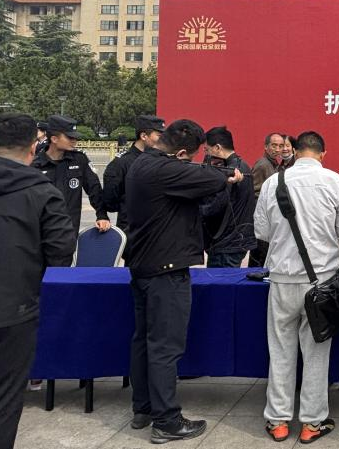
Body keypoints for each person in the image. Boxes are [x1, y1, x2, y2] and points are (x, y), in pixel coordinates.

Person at [124, 119, 243, 444]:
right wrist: (227, 174)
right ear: (180, 154)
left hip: (143, 266)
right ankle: (166, 420)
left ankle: (143, 408)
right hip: (165, 270)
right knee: (165, 346)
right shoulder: (164, 170)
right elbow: (210, 178)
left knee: (144, 341)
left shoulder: (141, 163)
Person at [254, 131, 339, 444]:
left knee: (280, 351)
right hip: (321, 282)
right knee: (316, 354)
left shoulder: (273, 183)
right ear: (323, 153)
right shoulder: (337, 182)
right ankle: (312, 423)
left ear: (295, 151)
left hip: (282, 279)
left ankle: (278, 421)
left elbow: (262, 232)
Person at [0, 113, 75, 449]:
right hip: (14, 309)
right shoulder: (42, 191)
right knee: (3, 399)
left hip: (14, 307)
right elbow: (61, 250)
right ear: (32, 148)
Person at [31, 114, 105, 236]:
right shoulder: (35, 165)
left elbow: (94, 188)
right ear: (54, 139)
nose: (74, 141)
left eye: (75, 137)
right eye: (70, 137)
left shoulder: (79, 160)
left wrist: (102, 215)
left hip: (69, 231)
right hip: (41, 232)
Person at [201, 126, 257, 268]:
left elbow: (214, 206)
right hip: (235, 240)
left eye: (207, 149)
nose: (206, 154)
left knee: (219, 281)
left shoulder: (230, 171)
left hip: (226, 243)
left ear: (217, 147)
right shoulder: (242, 165)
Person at [102, 115, 166, 232]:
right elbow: (110, 200)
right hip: (131, 229)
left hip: (158, 229)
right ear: (144, 136)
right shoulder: (122, 163)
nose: (163, 140)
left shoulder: (163, 160)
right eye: (159, 136)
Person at [249, 132, 286, 268]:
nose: (277, 149)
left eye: (281, 146)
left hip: (268, 220)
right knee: (259, 258)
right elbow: (253, 192)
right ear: (266, 147)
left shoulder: (274, 164)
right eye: (274, 145)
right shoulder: (263, 165)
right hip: (262, 221)